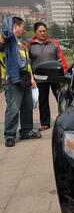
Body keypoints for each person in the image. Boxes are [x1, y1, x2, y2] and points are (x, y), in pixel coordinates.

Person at [0, 16, 41, 147]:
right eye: (23, 27)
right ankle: (10, 135)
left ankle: (26, 130)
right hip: (12, 80)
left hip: (25, 79)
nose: (24, 31)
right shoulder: (7, 41)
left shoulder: (21, 44)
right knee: (13, 108)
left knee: (27, 106)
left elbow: (27, 64)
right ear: (16, 25)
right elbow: (2, 39)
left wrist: (31, 78)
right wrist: (6, 29)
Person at [27, 22, 68, 131]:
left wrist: (64, 76)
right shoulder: (30, 45)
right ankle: (45, 123)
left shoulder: (53, 43)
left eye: (44, 31)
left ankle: (66, 120)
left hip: (55, 77)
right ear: (35, 32)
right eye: (40, 31)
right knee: (43, 101)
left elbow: (61, 60)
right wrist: (31, 78)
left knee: (61, 98)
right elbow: (28, 63)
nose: (43, 33)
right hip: (39, 78)